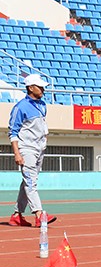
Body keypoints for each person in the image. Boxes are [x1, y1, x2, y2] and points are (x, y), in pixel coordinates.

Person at [8, 74, 57, 227]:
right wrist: (17, 153)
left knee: (28, 180)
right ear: (30, 88)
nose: (43, 89)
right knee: (31, 181)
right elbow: (13, 132)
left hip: (39, 148)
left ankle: (17, 214)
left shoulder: (42, 105)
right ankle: (39, 214)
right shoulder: (20, 107)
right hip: (26, 148)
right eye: (39, 86)